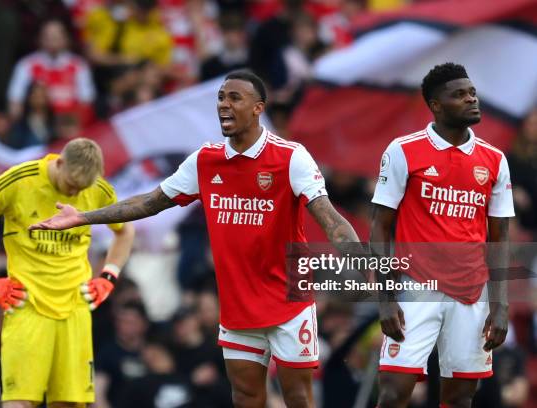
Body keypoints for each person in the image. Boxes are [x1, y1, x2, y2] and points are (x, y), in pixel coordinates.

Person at [30, 70, 361, 408]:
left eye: (235, 98)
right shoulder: (205, 160)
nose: (224, 105)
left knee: (297, 398)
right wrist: (82, 217)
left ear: (258, 107)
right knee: (246, 397)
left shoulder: (291, 158)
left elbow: (332, 220)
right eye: (221, 98)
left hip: (289, 300)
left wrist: (372, 276)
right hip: (237, 305)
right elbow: (148, 202)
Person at [0, 138, 135, 407]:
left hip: (75, 308)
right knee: (19, 401)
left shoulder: (98, 189)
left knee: (71, 403)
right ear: (59, 162)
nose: (73, 194)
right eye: (71, 185)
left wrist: (108, 277)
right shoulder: (18, 180)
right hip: (27, 305)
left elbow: (125, 230)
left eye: (81, 189)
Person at [370, 63, 514, 407]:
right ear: (436, 105)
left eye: (473, 93)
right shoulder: (403, 150)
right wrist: (385, 299)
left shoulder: (494, 160)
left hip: (472, 292)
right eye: (460, 95)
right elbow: (380, 226)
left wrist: (501, 303)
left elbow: (500, 236)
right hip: (416, 285)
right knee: (393, 391)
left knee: (461, 396)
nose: (471, 99)